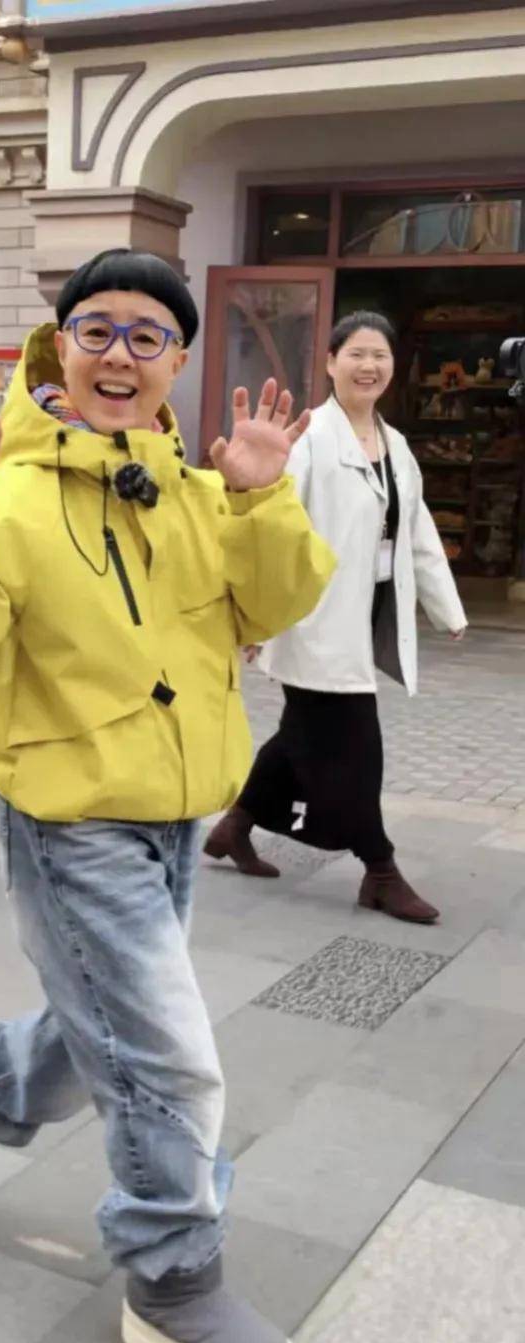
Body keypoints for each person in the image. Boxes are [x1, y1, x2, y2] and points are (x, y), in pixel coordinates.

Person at [0, 249, 336, 1343]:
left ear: (176, 360)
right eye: (97, 329)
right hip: (69, 813)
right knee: (167, 1051)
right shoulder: (9, 486)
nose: (119, 354)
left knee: (111, 1025)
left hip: (176, 811)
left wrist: (260, 496)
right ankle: (172, 1274)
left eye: (147, 335)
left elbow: (277, 603)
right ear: (61, 347)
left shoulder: (192, 485)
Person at [204, 310, 467, 922]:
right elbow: (269, 533)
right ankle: (381, 871)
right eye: (356, 354)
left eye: (380, 355)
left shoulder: (396, 446)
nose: (368, 366)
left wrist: (445, 608)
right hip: (312, 621)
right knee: (356, 751)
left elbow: (417, 532)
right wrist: (255, 616)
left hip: (363, 618)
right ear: (330, 362)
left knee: (300, 736)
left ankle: (235, 826)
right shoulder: (309, 440)